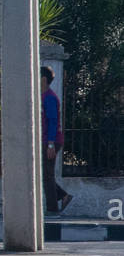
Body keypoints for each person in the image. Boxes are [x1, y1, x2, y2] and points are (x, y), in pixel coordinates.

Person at [42, 66, 71, 214]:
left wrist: (51, 144)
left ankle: (52, 210)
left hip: (51, 141)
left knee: (47, 175)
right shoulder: (42, 96)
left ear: (44, 79)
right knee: (45, 175)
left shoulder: (50, 97)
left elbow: (53, 121)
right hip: (46, 140)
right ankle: (63, 196)